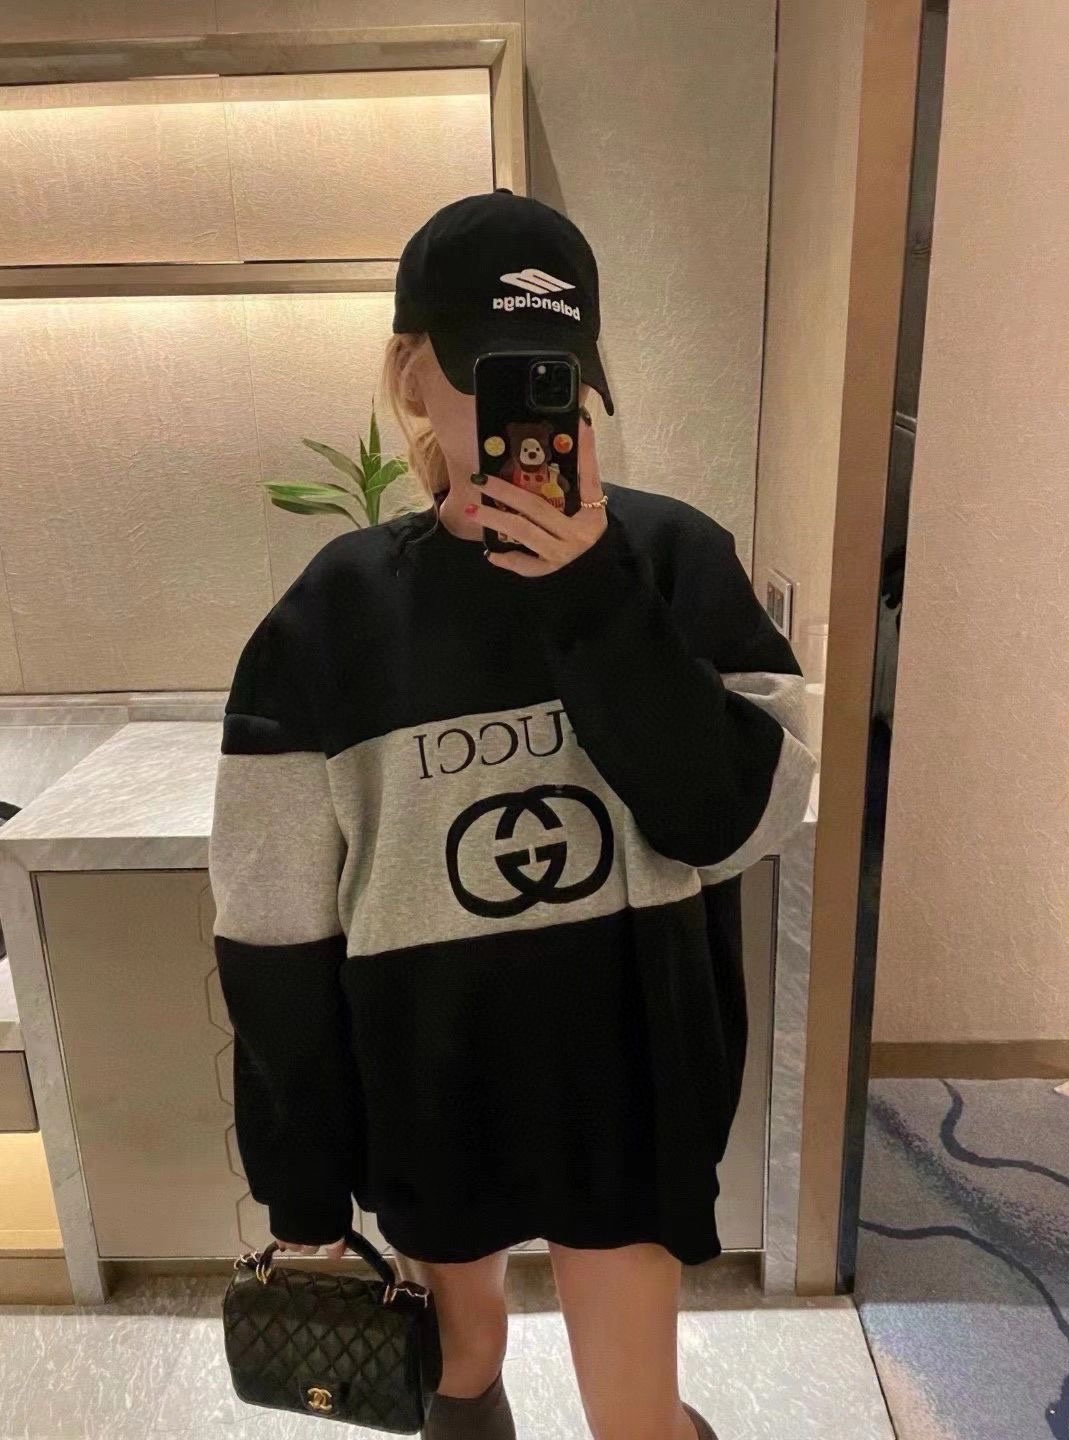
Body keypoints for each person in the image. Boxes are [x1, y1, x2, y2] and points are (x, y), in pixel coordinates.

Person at [208, 190, 817, 1440]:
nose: (526, 414)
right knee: (459, 1365)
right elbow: (272, 931)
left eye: (554, 377)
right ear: (410, 376)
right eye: (490, 371)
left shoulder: (672, 564)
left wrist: (597, 600)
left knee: (634, 1416)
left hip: (632, 1072)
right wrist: (301, 1183)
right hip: (434, 1076)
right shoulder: (333, 617)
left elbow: (735, 818)